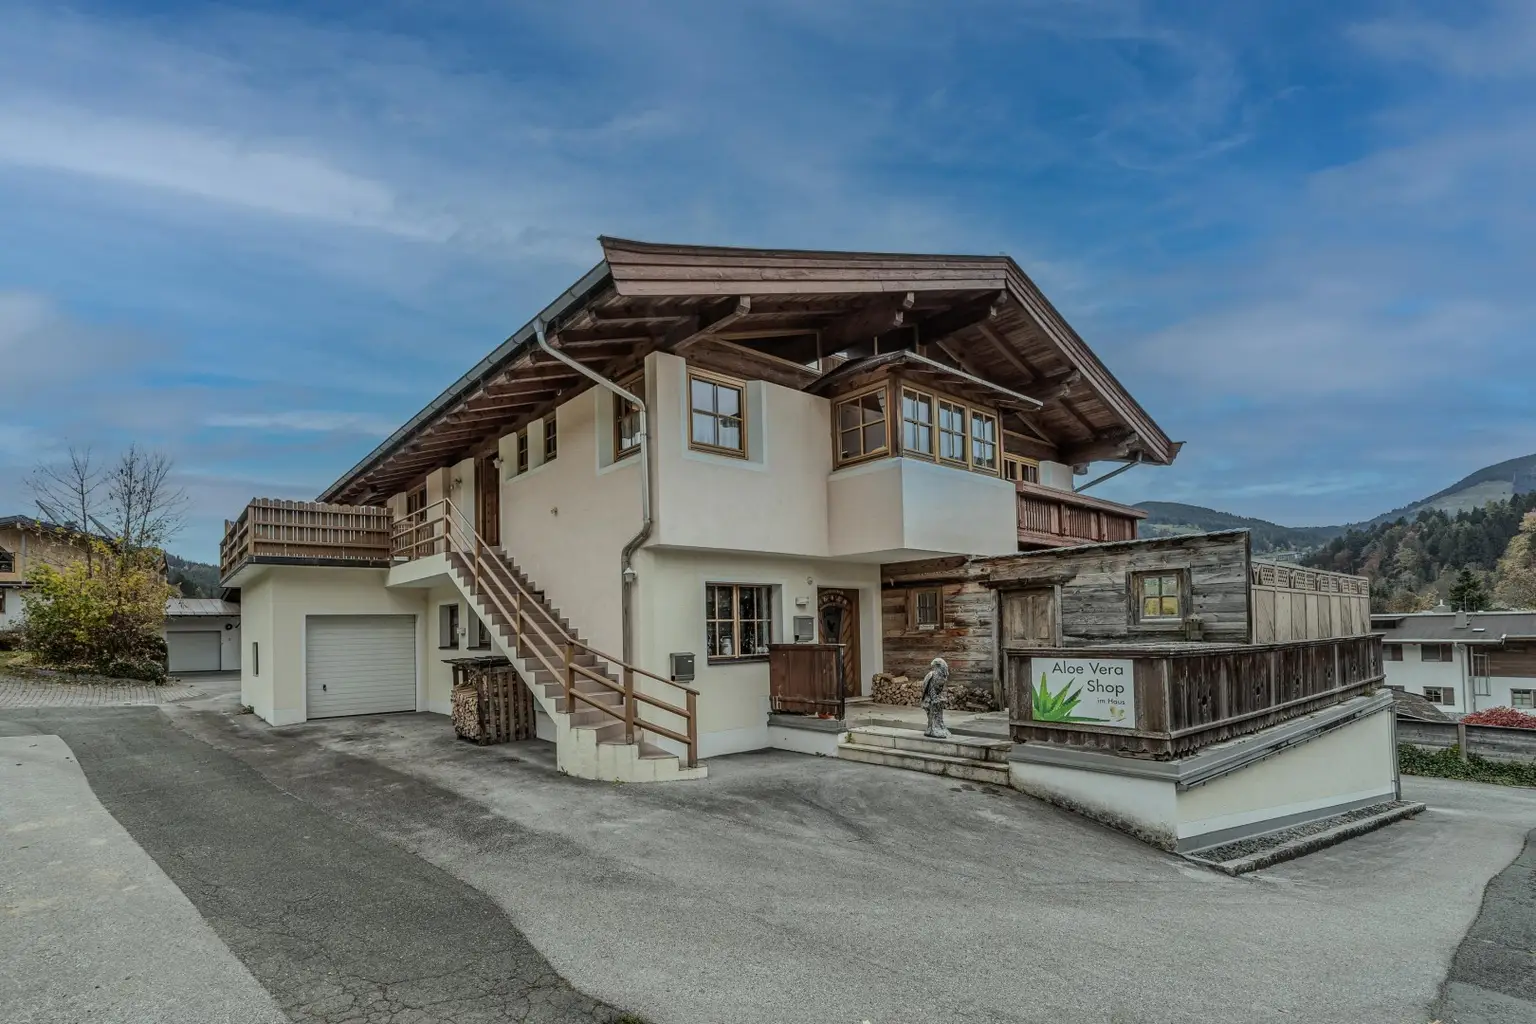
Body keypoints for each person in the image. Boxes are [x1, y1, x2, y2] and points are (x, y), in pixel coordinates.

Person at [920, 657, 951, 739]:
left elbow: (940, 689)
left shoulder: (944, 676)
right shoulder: (931, 674)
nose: (933, 666)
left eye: (936, 664)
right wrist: (932, 698)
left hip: (937, 697)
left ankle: (937, 727)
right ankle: (932, 728)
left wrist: (938, 697)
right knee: (933, 706)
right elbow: (928, 688)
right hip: (930, 697)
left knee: (937, 705)